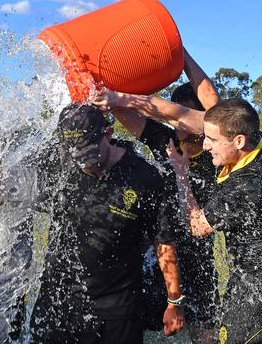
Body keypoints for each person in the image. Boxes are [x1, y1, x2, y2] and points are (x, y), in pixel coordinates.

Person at [30, 104, 185, 343]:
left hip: (116, 309)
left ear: (109, 134)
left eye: (89, 154)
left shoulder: (144, 177)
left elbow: (163, 241)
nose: (83, 164)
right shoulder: (57, 164)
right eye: (75, 154)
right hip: (57, 301)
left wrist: (173, 301)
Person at [167, 98, 262, 344]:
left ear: (239, 141)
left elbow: (197, 226)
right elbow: (212, 105)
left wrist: (181, 174)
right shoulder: (260, 143)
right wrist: (184, 60)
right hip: (248, 283)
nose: (205, 145)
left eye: (213, 140)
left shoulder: (246, 187)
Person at [103, 80, 220, 342]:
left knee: (206, 336)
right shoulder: (167, 142)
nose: (179, 127)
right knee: (135, 328)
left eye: (185, 117)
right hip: (160, 256)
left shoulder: (218, 157)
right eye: (174, 118)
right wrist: (108, 93)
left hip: (200, 261)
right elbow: (123, 113)